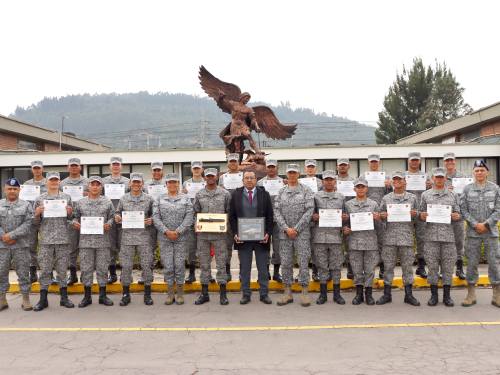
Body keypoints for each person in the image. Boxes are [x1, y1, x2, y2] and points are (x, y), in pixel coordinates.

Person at [229, 169, 273, 305]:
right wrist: (235, 233)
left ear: (256, 180)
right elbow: (232, 216)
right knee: (245, 268)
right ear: (242, 180)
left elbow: (270, 216)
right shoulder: (235, 194)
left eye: (251, 178)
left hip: (261, 238)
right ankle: (246, 293)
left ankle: (264, 293)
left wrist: (267, 233)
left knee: (263, 268)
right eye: (246, 178)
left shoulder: (264, 194)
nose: (249, 180)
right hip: (243, 238)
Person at [460, 160, 500, 308]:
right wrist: (475, 224)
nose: (479, 172)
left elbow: (499, 209)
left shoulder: (495, 189)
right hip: (473, 232)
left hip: (491, 232)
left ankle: (497, 295)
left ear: (487, 172)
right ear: (473, 173)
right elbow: (463, 209)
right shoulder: (467, 189)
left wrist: (487, 224)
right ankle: (471, 295)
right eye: (476, 170)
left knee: (494, 263)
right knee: (471, 264)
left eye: (482, 170)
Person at [32, 171, 74, 311]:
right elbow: (36, 222)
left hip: (62, 238)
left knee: (62, 269)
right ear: (46, 182)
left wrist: (70, 212)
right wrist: (37, 214)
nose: (54, 182)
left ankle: (64, 298)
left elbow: (71, 219)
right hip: (46, 239)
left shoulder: (66, 197)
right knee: (45, 270)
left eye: (56, 180)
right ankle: (43, 300)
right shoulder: (40, 199)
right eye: (51, 180)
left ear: (59, 181)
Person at [419, 167, 461, 307]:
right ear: (432, 178)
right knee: (432, 267)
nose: (439, 179)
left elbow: (459, 214)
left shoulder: (453, 195)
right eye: (436, 177)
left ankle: (447, 296)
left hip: (448, 237)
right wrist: (422, 216)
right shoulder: (425, 195)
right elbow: (420, 214)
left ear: (445, 178)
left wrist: (456, 216)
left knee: (448, 267)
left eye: (441, 177)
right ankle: (434, 296)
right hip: (431, 237)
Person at [274, 164, 314, 307]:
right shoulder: (281, 191)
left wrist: (295, 229)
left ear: (299, 174)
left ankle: (304, 293)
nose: (292, 175)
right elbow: (276, 211)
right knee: (286, 263)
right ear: (286, 174)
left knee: (303, 262)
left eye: (294, 173)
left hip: (302, 233)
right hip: (285, 235)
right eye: (289, 172)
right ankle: (287, 292)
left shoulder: (306, 190)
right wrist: (286, 228)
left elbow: (310, 211)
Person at [71, 176, 114, 308]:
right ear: (88, 187)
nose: (95, 187)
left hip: (103, 242)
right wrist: (75, 223)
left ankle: (103, 296)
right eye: (92, 184)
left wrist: (109, 224)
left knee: (102, 268)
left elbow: (112, 216)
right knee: (86, 269)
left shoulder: (107, 202)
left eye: (97, 185)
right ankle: (87, 296)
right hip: (85, 242)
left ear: (101, 187)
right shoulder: (80, 202)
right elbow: (73, 217)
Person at [377, 171, 420, 306]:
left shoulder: (412, 198)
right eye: (394, 179)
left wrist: (416, 214)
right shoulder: (386, 198)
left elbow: (419, 218)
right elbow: (380, 219)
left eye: (399, 179)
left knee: (407, 267)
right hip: (389, 238)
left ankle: (409, 295)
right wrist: (382, 216)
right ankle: (387, 294)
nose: (397, 181)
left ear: (405, 181)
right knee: (388, 267)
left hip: (406, 237)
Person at [153, 173, 194, 305]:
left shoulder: (186, 198)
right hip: (165, 238)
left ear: (178, 184)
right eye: (169, 182)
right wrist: (167, 231)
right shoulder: (159, 199)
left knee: (179, 264)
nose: (172, 184)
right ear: (166, 184)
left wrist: (177, 231)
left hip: (181, 237)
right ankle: (170, 293)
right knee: (168, 266)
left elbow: (189, 217)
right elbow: (155, 217)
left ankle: (180, 293)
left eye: (175, 182)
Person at [114, 173, 154, 306]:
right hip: (127, 237)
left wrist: (151, 220)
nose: (136, 184)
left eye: (139, 182)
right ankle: (126, 294)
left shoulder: (149, 198)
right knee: (125, 266)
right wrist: (117, 217)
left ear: (143, 183)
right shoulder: (123, 198)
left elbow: (155, 214)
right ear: (130, 183)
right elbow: (117, 212)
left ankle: (147, 294)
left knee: (147, 265)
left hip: (144, 237)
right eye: (134, 182)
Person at [193, 168, 231, 305]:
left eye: (213, 176)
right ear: (204, 178)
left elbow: (228, 211)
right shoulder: (199, 194)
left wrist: (226, 224)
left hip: (219, 235)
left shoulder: (225, 194)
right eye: (208, 176)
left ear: (217, 178)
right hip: (203, 235)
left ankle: (223, 294)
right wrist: (195, 224)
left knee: (221, 263)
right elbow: (195, 213)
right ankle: (204, 294)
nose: (210, 178)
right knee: (204, 264)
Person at [344, 177, 381, 306]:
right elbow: (345, 223)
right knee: (357, 270)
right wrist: (345, 229)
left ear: (367, 189)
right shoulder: (348, 205)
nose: (360, 189)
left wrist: (378, 219)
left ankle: (369, 294)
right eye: (358, 187)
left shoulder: (374, 204)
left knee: (370, 270)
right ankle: (359, 294)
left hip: (370, 242)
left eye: (362, 187)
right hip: (354, 242)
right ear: (354, 189)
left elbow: (380, 227)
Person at [312, 171, 348, 305]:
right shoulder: (315, 196)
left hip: (335, 237)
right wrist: (313, 217)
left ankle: (337, 294)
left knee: (336, 266)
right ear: (322, 182)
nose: (328, 182)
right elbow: (310, 215)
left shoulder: (341, 197)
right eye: (326, 179)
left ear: (335, 182)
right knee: (321, 266)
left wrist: (345, 219)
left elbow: (346, 217)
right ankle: (323, 295)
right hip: (319, 237)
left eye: (331, 179)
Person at [0, 178, 34, 311]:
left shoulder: (26, 205)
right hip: (2, 246)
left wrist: (12, 236)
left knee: (23, 272)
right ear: (4, 190)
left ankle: (26, 298)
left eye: (15, 189)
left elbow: (28, 224)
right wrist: (5, 237)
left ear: (19, 190)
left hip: (20, 245)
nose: (12, 191)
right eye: (9, 188)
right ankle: (2, 299)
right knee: (1, 272)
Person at [181, 161, 215, 284]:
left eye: (198, 168)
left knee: (206, 248)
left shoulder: (206, 182)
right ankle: (191, 274)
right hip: (190, 219)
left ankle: (208, 273)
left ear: (202, 169)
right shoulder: (186, 183)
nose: (196, 170)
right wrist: (182, 193)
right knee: (192, 248)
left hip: (204, 218)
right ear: (191, 170)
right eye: (194, 168)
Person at [59, 158, 89, 286]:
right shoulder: (63, 183)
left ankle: (85, 275)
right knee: (71, 248)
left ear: (80, 167)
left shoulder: (87, 182)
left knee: (85, 248)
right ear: (68, 167)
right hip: (70, 219)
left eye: (76, 166)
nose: (74, 168)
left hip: (86, 218)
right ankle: (72, 275)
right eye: (72, 166)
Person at [362, 154, 393, 279]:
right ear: (368, 163)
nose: (373, 163)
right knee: (366, 241)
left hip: (381, 212)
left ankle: (382, 267)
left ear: (379, 163)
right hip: (366, 213)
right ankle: (365, 268)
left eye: (376, 162)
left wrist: (389, 187)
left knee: (382, 241)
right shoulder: (363, 177)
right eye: (371, 162)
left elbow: (390, 195)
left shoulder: (386, 177)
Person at [101, 157, 131, 284]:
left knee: (124, 248)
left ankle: (124, 273)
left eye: (118, 165)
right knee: (111, 247)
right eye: (113, 164)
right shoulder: (103, 182)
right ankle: (112, 274)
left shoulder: (128, 181)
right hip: (110, 219)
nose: (116, 167)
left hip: (125, 219)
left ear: (121, 166)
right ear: (110, 166)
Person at [256, 158, 285, 283]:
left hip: (279, 220)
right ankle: (265, 272)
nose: (271, 169)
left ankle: (276, 272)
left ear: (277, 168)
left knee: (279, 247)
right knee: (264, 245)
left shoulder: (284, 182)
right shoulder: (260, 183)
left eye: (273, 167)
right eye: (269, 167)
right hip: (264, 219)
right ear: (266, 168)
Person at [405, 152, 432, 279]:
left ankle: (421, 267)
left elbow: (432, 192)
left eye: (416, 160)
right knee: (407, 240)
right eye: (412, 160)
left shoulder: (426, 176)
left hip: (421, 212)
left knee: (422, 239)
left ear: (420, 161)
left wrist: (430, 186)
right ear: (408, 161)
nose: (414, 162)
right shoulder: (403, 176)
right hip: (406, 213)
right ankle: (408, 266)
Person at [23, 160, 49, 284]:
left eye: (39, 168)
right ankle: (32, 273)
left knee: (47, 247)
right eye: (35, 168)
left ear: (43, 169)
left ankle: (47, 273)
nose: (37, 170)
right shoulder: (26, 185)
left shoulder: (49, 183)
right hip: (31, 219)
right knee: (31, 246)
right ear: (32, 169)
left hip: (47, 220)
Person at [141, 161, 167, 285]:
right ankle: (148, 275)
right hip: (149, 220)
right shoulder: (145, 185)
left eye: (159, 170)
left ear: (162, 170)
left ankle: (167, 275)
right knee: (149, 248)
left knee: (165, 248)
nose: (157, 172)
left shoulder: (167, 184)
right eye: (154, 170)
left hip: (165, 220)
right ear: (151, 170)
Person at [443, 152, 467, 280]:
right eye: (447, 161)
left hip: (458, 215)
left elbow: (466, 196)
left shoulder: (462, 176)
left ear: (455, 161)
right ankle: (444, 270)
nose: (449, 162)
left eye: (451, 160)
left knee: (459, 241)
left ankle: (459, 269)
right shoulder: (440, 176)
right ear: (444, 163)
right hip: (443, 217)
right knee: (444, 243)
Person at [218, 153, 242, 281]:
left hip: (241, 214)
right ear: (228, 162)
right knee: (226, 245)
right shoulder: (223, 178)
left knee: (241, 244)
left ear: (238, 162)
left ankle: (241, 272)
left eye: (235, 161)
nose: (233, 163)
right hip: (227, 214)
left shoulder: (243, 176)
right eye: (231, 161)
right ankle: (227, 272)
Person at [303, 159, 323, 282]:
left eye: (312, 167)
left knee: (316, 246)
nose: (310, 169)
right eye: (308, 167)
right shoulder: (299, 182)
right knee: (303, 247)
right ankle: (303, 272)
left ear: (316, 169)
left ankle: (316, 272)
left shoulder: (322, 183)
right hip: (303, 218)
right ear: (304, 169)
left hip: (317, 218)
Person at [335, 158, 355, 279]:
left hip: (351, 215)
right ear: (337, 167)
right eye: (340, 165)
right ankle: (334, 269)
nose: (342, 167)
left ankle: (351, 269)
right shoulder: (332, 181)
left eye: (345, 165)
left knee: (350, 243)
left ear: (348, 167)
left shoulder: (354, 181)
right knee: (335, 244)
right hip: (333, 216)